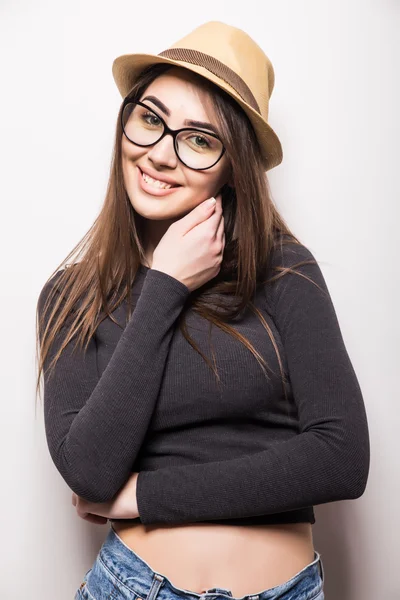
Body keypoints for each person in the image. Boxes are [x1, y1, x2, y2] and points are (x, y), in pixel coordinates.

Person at [36, 20, 370, 600]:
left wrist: (145, 496)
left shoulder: (284, 272)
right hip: (131, 588)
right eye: (150, 118)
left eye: (198, 138)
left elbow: (342, 458)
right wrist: (164, 283)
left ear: (233, 167)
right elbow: (88, 472)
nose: (160, 154)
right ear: (127, 122)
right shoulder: (71, 296)